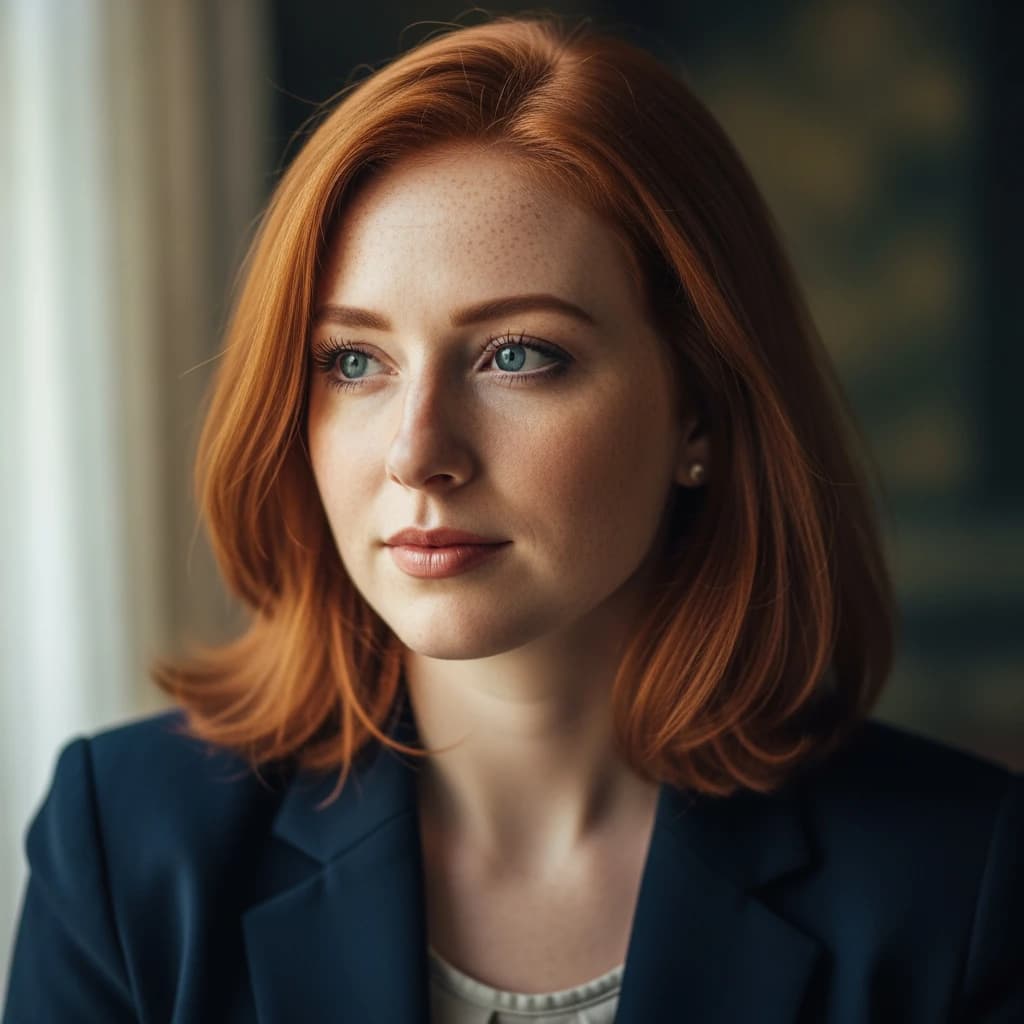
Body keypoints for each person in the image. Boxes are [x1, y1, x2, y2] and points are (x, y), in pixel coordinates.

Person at [4, 12, 1022, 1024]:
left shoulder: (960, 881)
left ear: (699, 412)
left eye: (517, 355)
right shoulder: (125, 845)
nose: (415, 453)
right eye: (353, 362)